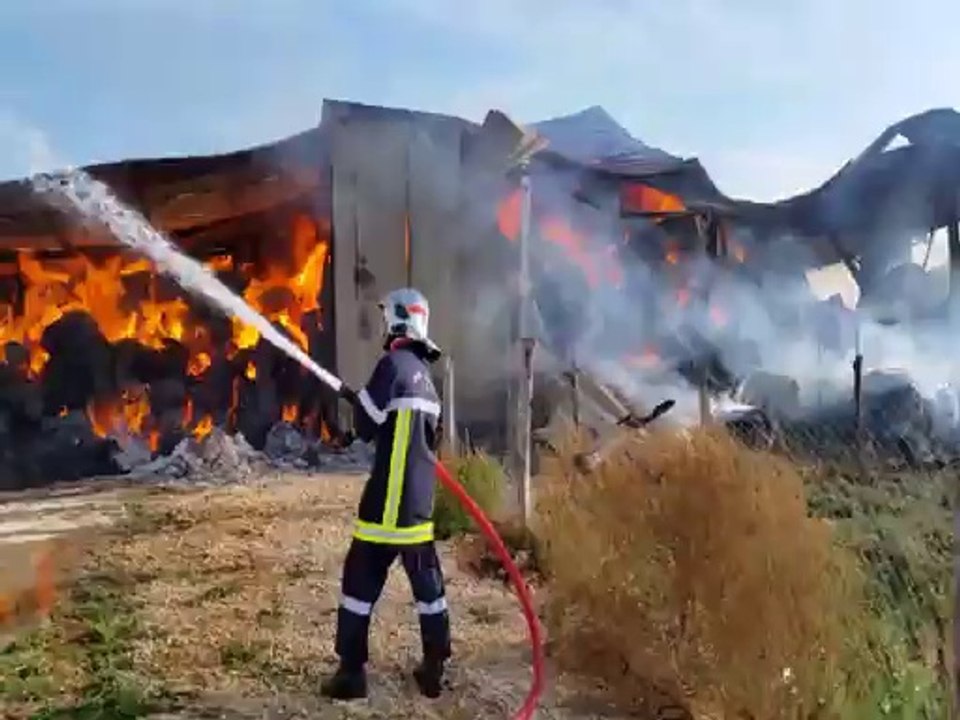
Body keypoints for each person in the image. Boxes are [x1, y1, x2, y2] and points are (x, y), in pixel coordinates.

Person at [321, 287, 451, 701]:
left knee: (359, 584)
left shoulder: (391, 365)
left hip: (385, 507)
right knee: (429, 589)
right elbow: (427, 440)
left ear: (399, 321)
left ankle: (351, 673)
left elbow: (369, 419)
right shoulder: (428, 382)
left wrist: (353, 404)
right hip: (418, 509)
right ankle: (434, 668)